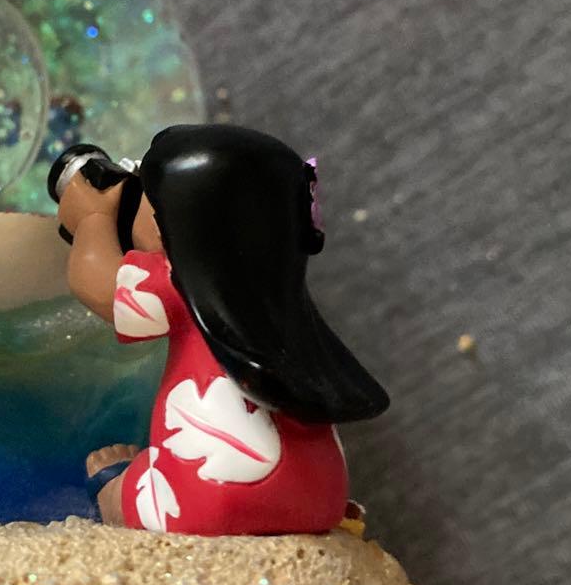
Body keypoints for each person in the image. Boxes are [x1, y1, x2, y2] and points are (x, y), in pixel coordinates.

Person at [56, 123, 389, 535]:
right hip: (318, 498)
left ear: (168, 221)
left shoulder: (177, 278)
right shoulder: (280, 286)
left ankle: (119, 490)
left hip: (213, 499)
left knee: (123, 490)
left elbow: (96, 284)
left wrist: (93, 217)